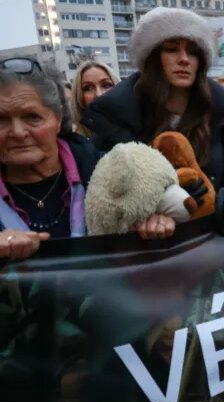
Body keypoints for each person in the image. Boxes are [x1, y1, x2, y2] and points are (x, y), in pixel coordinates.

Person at [82, 7, 224, 233]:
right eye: (171, 49)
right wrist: (157, 204)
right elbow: (101, 201)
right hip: (145, 258)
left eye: (193, 51)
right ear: (152, 58)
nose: (184, 59)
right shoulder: (116, 120)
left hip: (218, 252)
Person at [0, 58, 174, 261]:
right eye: (1, 120)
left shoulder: (112, 173)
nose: (18, 132)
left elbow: (172, 206)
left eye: (33, 117)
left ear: (58, 119)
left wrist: (158, 220)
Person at [71, 61, 120, 137]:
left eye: (106, 85)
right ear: (79, 96)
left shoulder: (138, 131)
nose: (98, 94)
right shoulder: (74, 144)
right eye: (88, 88)